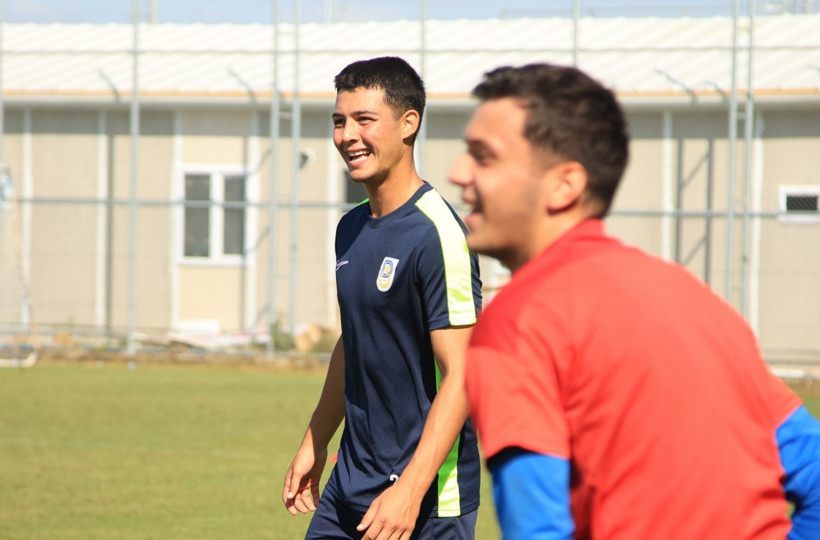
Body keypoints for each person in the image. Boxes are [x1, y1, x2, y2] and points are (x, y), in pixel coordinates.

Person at [449, 62, 820, 539]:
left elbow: (538, 529)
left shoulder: (519, 320)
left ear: (565, 185)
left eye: (483, 156)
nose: (458, 172)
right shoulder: (693, 299)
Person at [283, 56, 482, 540]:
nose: (347, 135)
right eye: (338, 121)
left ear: (408, 123)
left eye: (364, 120)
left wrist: (410, 492)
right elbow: (355, 342)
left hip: (427, 501)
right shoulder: (350, 228)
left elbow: (465, 373)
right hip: (349, 485)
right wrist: (317, 437)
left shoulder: (438, 235)